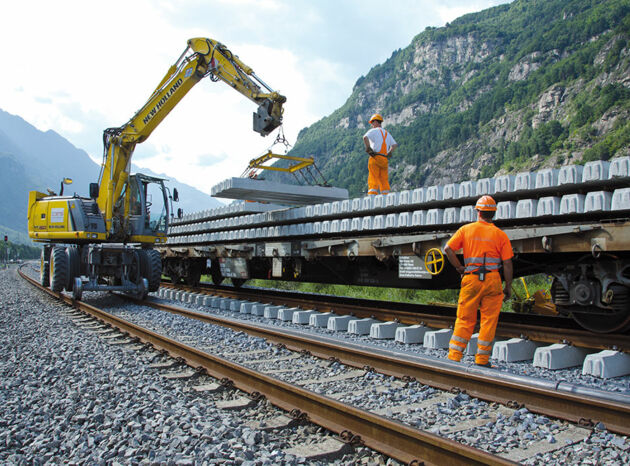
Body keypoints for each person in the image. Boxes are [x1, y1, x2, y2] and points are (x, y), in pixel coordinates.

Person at [443, 195, 513, 367]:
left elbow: (448, 249)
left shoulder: (466, 230)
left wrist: (460, 268)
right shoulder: (500, 235)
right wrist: (508, 286)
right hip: (493, 280)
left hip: (471, 279)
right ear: (493, 214)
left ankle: (454, 356)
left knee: (465, 319)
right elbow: (507, 263)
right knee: (489, 320)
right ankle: (482, 359)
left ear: (478, 212)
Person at [363, 113, 397, 195]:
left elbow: (365, 137)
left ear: (375, 122)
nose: (371, 125)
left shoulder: (374, 131)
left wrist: (368, 148)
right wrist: (389, 153)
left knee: (373, 176)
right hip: (384, 159)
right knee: (383, 178)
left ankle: (372, 194)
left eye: (372, 123)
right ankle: (385, 194)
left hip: (375, 157)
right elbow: (394, 145)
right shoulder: (387, 133)